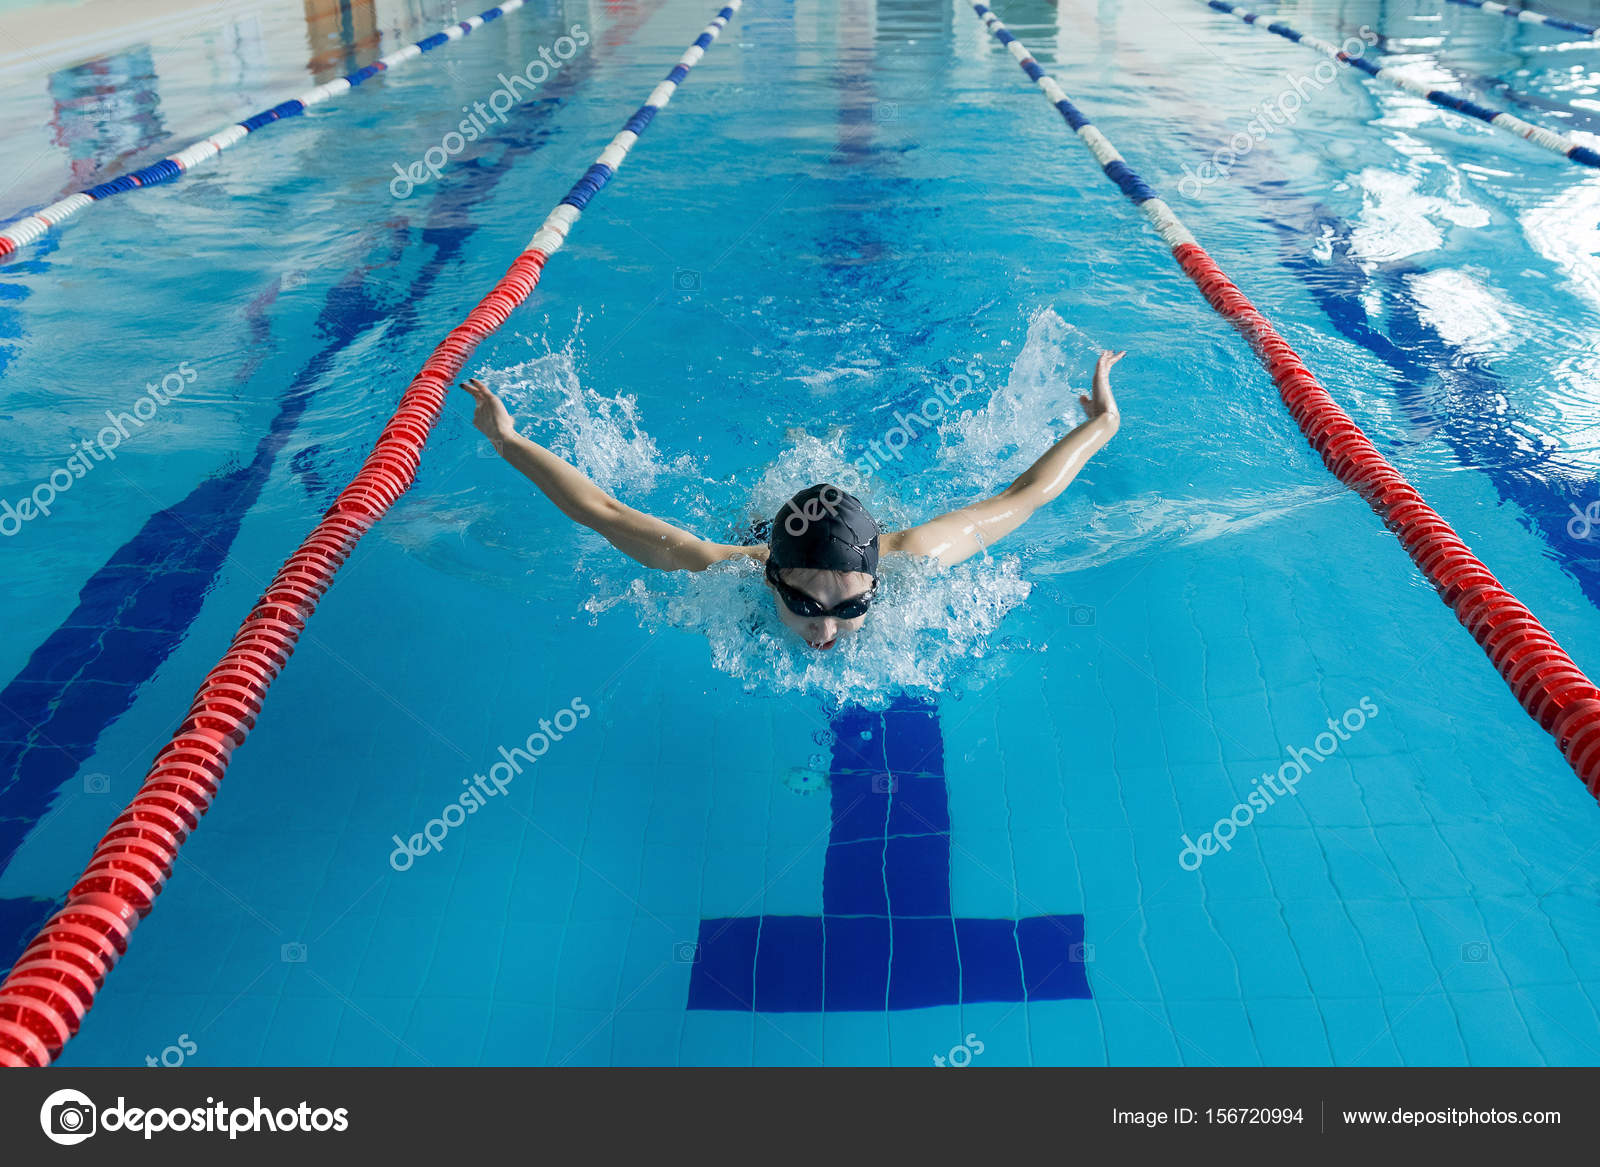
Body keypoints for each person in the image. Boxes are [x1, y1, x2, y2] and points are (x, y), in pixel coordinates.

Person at [458, 349, 1124, 651]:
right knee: (782, 482)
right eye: (802, 604)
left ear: (876, 581)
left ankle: (821, 444)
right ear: (770, 576)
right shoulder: (727, 564)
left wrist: (1103, 424)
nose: (825, 630)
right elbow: (604, 513)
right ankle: (807, 446)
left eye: (852, 606)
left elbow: (1021, 497)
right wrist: (507, 440)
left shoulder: (915, 556)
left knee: (828, 465)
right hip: (772, 518)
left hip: (859, 521)